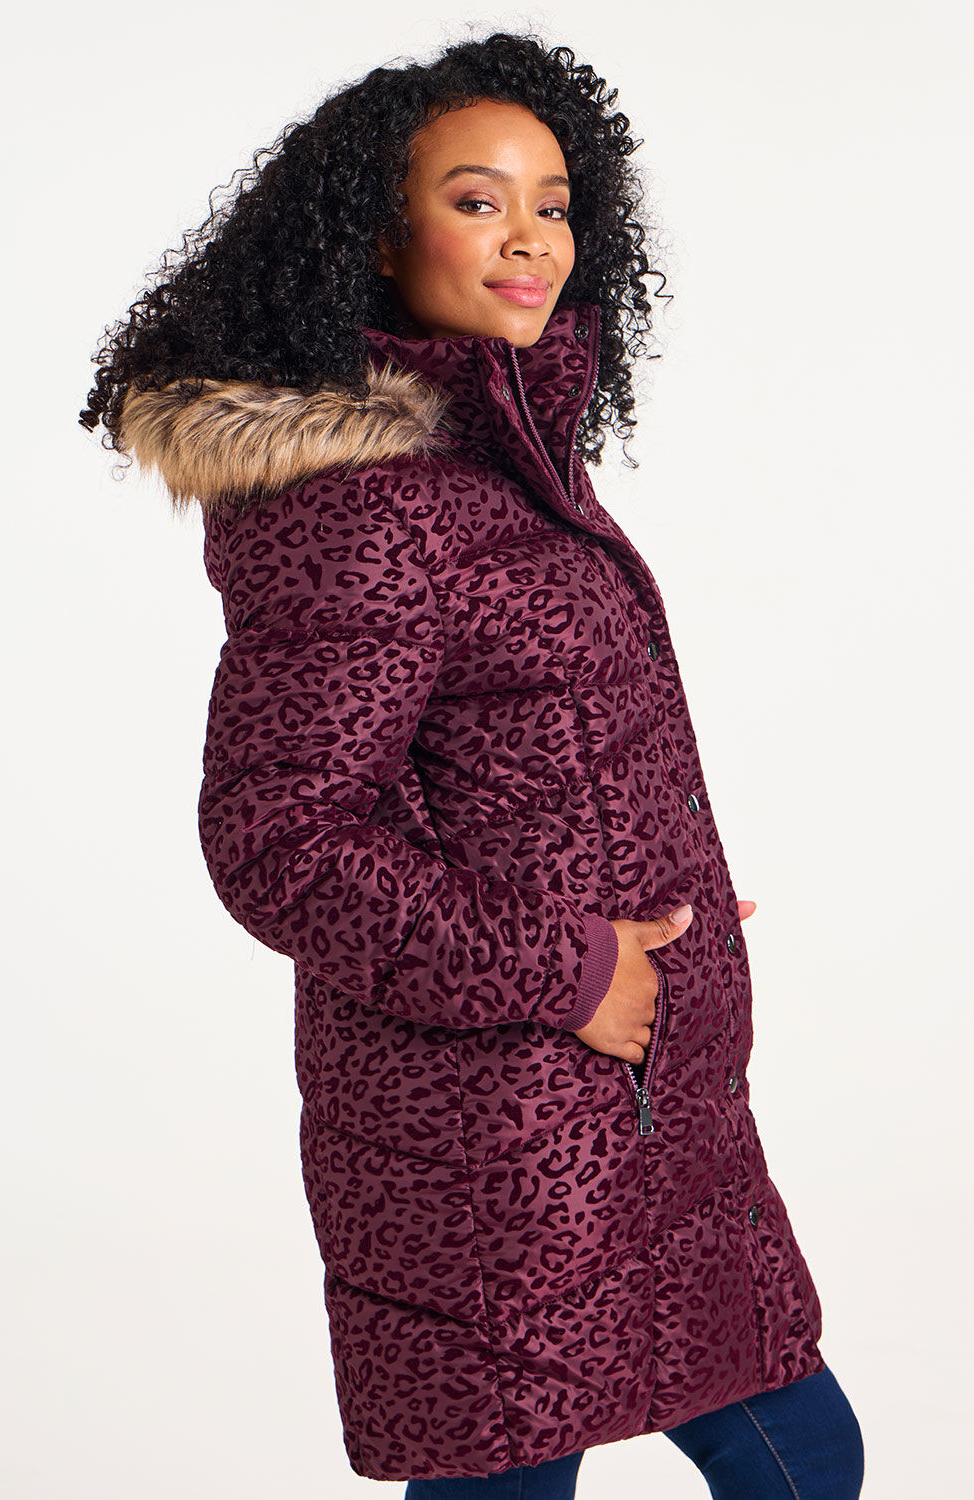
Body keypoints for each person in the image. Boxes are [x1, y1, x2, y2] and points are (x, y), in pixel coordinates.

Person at [80, 29, 865, 1498]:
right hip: (491, 1139)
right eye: (477, 199)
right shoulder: (359, 502)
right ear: (379, 235)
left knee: (801, 1453)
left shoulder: (501, 456)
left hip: (636, 1110)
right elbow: (282, 840)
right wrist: (570, 963)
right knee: (572, 1475)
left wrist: (656, 886)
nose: (529, 239)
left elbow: (510, 755)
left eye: (553, 204)